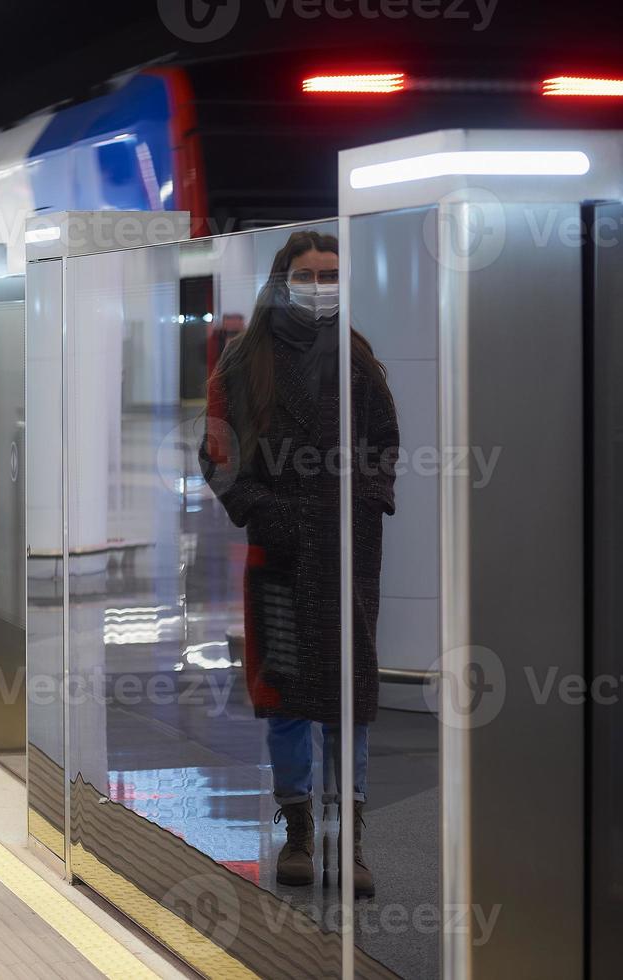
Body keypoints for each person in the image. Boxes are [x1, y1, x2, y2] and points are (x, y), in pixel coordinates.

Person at [198, 230, 398, 897]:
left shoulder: (359, 360)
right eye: (308, 275)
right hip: (280, 556)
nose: (321, 286)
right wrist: (271, 513)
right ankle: (300, 831)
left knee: (351, 702)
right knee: (286, 702)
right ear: (282, 278)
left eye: (332, 274)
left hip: (349, 554)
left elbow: (386, 446)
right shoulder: (243, 362)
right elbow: (217, 459)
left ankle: (351, 841)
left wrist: (364, 501)